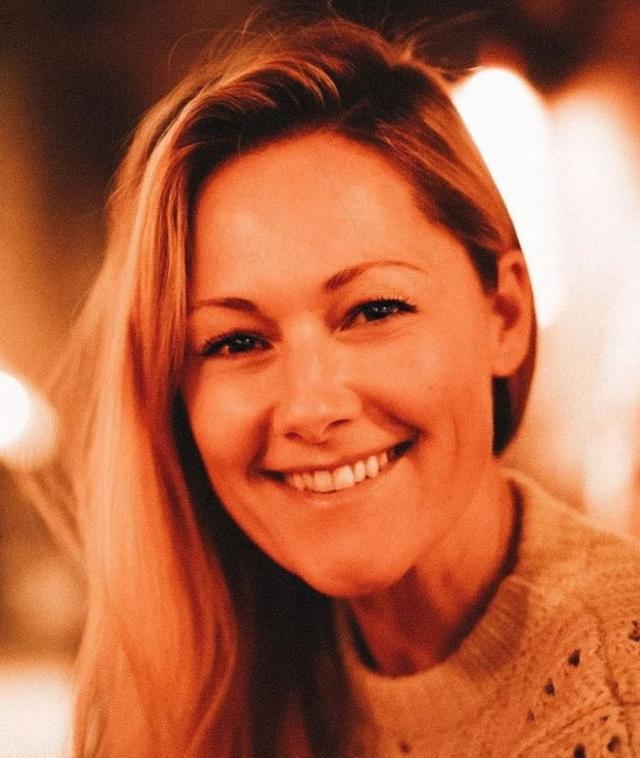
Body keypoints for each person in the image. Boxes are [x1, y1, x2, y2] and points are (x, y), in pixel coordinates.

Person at [31, 15, 640, 758]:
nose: (312, 407)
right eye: (237, 341)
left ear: (505, 316)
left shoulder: (621, 686)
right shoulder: (211, 680)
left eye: (375, 310)